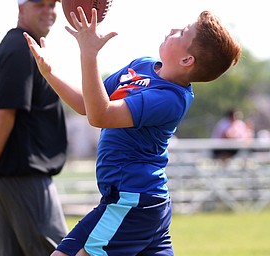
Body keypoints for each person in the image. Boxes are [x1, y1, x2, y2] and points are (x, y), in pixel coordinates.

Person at [24, 7, 241, 256]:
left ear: (186, 60)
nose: (172, 30)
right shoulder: (143, 65)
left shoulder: (170, 99)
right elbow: (88, 104)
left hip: (133, 200)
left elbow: (100, 115)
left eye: (182, 33)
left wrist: (89, 54)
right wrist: (50, 73)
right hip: (132, 200)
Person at [0, 0, 68, 255]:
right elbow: (0, 117)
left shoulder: (10, 46)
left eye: (53, 5)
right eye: (40, 4)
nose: (49, 11)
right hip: (25, 180)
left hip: (7, 181)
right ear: (21, 9)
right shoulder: (21, 47)